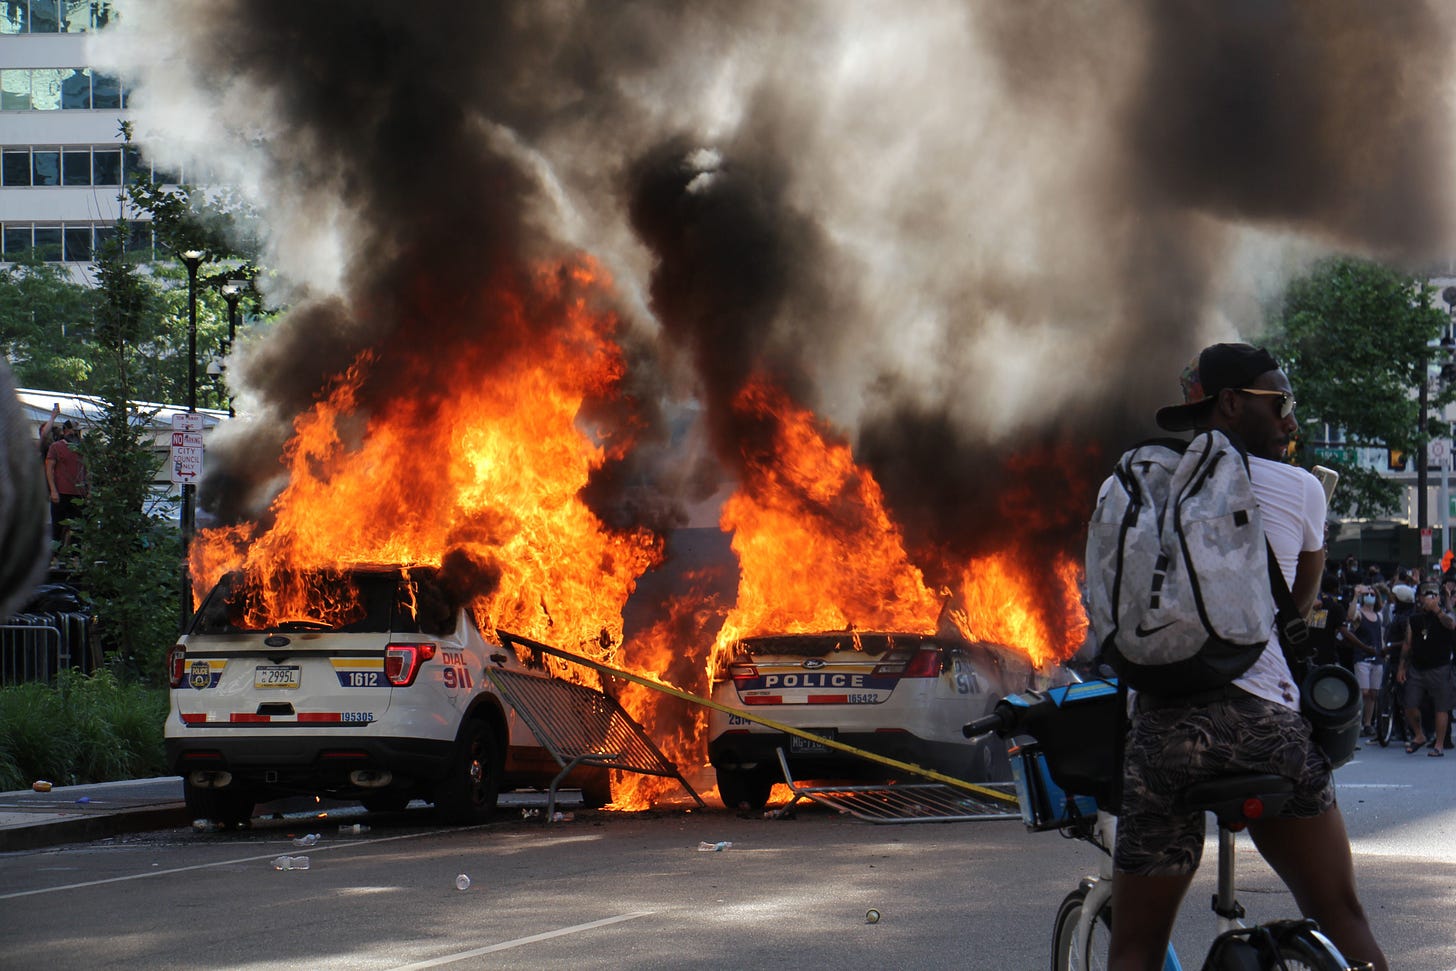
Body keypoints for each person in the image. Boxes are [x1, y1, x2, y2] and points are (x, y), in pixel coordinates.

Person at [1107, 343, 1386, 971]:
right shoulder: (1300, 490)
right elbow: (1298, 611)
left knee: (1134, 950)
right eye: (1280, 403)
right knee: (1341, 916)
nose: (1291, 421)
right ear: (1231, 404)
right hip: (1268, 729)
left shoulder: (1135, 483)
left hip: (1164, 733)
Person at [1397, 584, 1455, 757]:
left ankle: (1439, 745)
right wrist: (1401, 667)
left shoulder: (1445, 615)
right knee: (1409, 704)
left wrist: (1437, 609)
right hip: (1417, 668)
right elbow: (1407, 644)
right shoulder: (1414, 619)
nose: (1429, 598)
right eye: (1426, 595)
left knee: (1441, 707)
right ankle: (1419, 735)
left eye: (1433, 595)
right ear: (1420, 598)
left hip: (1440, 667)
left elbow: (1451, 624)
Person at [1343, 582, 1386, 735]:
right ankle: (1358, 723)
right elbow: (1349, 616)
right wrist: (1356, 596)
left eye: (1372, 595)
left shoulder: (1379, 616)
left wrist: (1383, 653)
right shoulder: (1359, 613)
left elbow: (1380, 636)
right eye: (1367, 594)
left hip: (1377, 657)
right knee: (1363, 691)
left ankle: (1368, 723)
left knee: (1374, 693)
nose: (1370, 597)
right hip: (1361, 657)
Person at [43, 420, 86, 552]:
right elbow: (49, 469)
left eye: (77, 431)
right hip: (61, 492)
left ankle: (75, 558)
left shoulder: (82, 448)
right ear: (65, 430)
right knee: (58, 527)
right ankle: (54, 557)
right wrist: (53, 490)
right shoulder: (56, 447)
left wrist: (88, 489)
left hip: (79, 493)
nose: (75, 433)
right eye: (73, 430)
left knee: (78, 529)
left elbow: (87, 469)